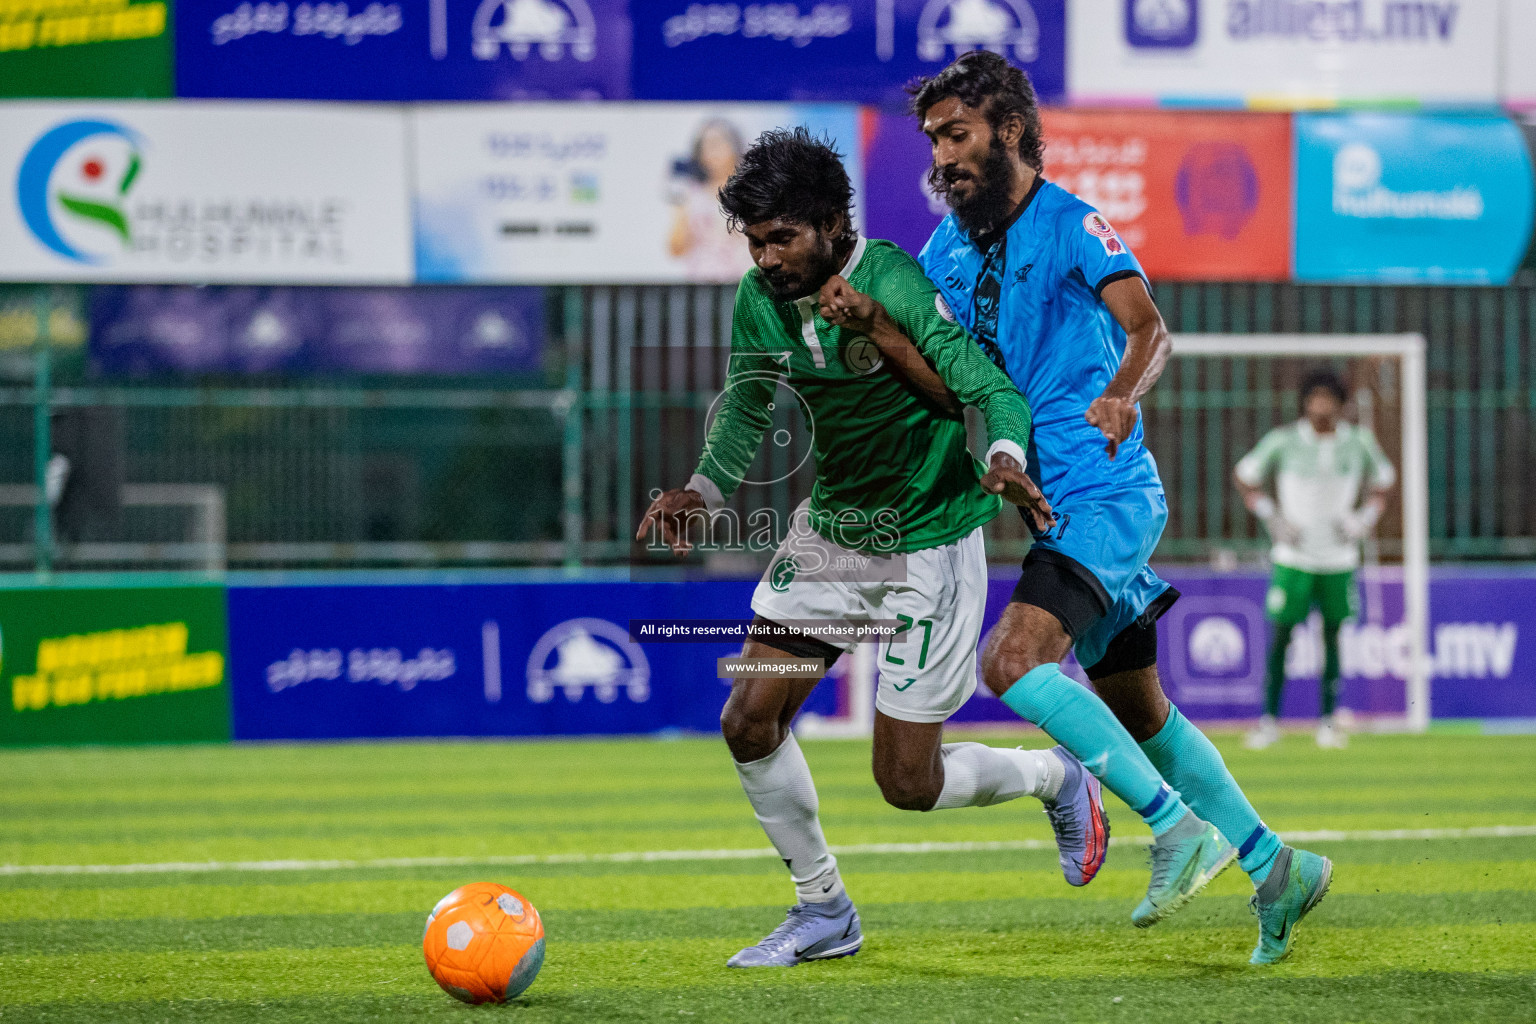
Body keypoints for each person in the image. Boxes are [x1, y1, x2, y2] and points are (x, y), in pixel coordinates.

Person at [636, 127, 1105, 969]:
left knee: (907, 786)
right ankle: (823, 909)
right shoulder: (760, 298)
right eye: (755, 241)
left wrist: (1003, 455)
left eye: (783, 238)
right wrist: (700, 494)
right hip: (836, 539)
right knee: (749, 718)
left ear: (830, 222)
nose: (768, 259)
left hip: (929, 546)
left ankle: (1057, 779)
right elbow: (746, 408)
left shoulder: (890, 277)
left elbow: (986, 386)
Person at [909, 51, 1331, 965]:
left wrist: (1125, 392)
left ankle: (1174, 828)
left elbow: (1148, 325)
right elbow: (954, 379)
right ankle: (1277, 867)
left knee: (1012, 660)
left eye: (958, 135)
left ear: (1012, 131)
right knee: (1141, 712)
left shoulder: (1070, 224)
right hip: (1051, 511)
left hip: (1107, 495)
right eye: (934, 140)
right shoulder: (945, 250)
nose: (942, 157)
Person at [1235, 367, 1396, 750]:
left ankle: (1327, 721)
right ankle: (1269, 721)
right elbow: (1246, 475)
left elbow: (1383, 483)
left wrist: (1364, 519)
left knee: (1333, 637)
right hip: (1294, 556)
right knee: (1282, 637)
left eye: (1328, 398)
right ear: (1305, 403)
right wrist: (1271, 514)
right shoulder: (1284, 441)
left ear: (1340, 404)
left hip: (1339, 557)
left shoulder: (1358, 442)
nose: (1321, 405)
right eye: (1314, 398)